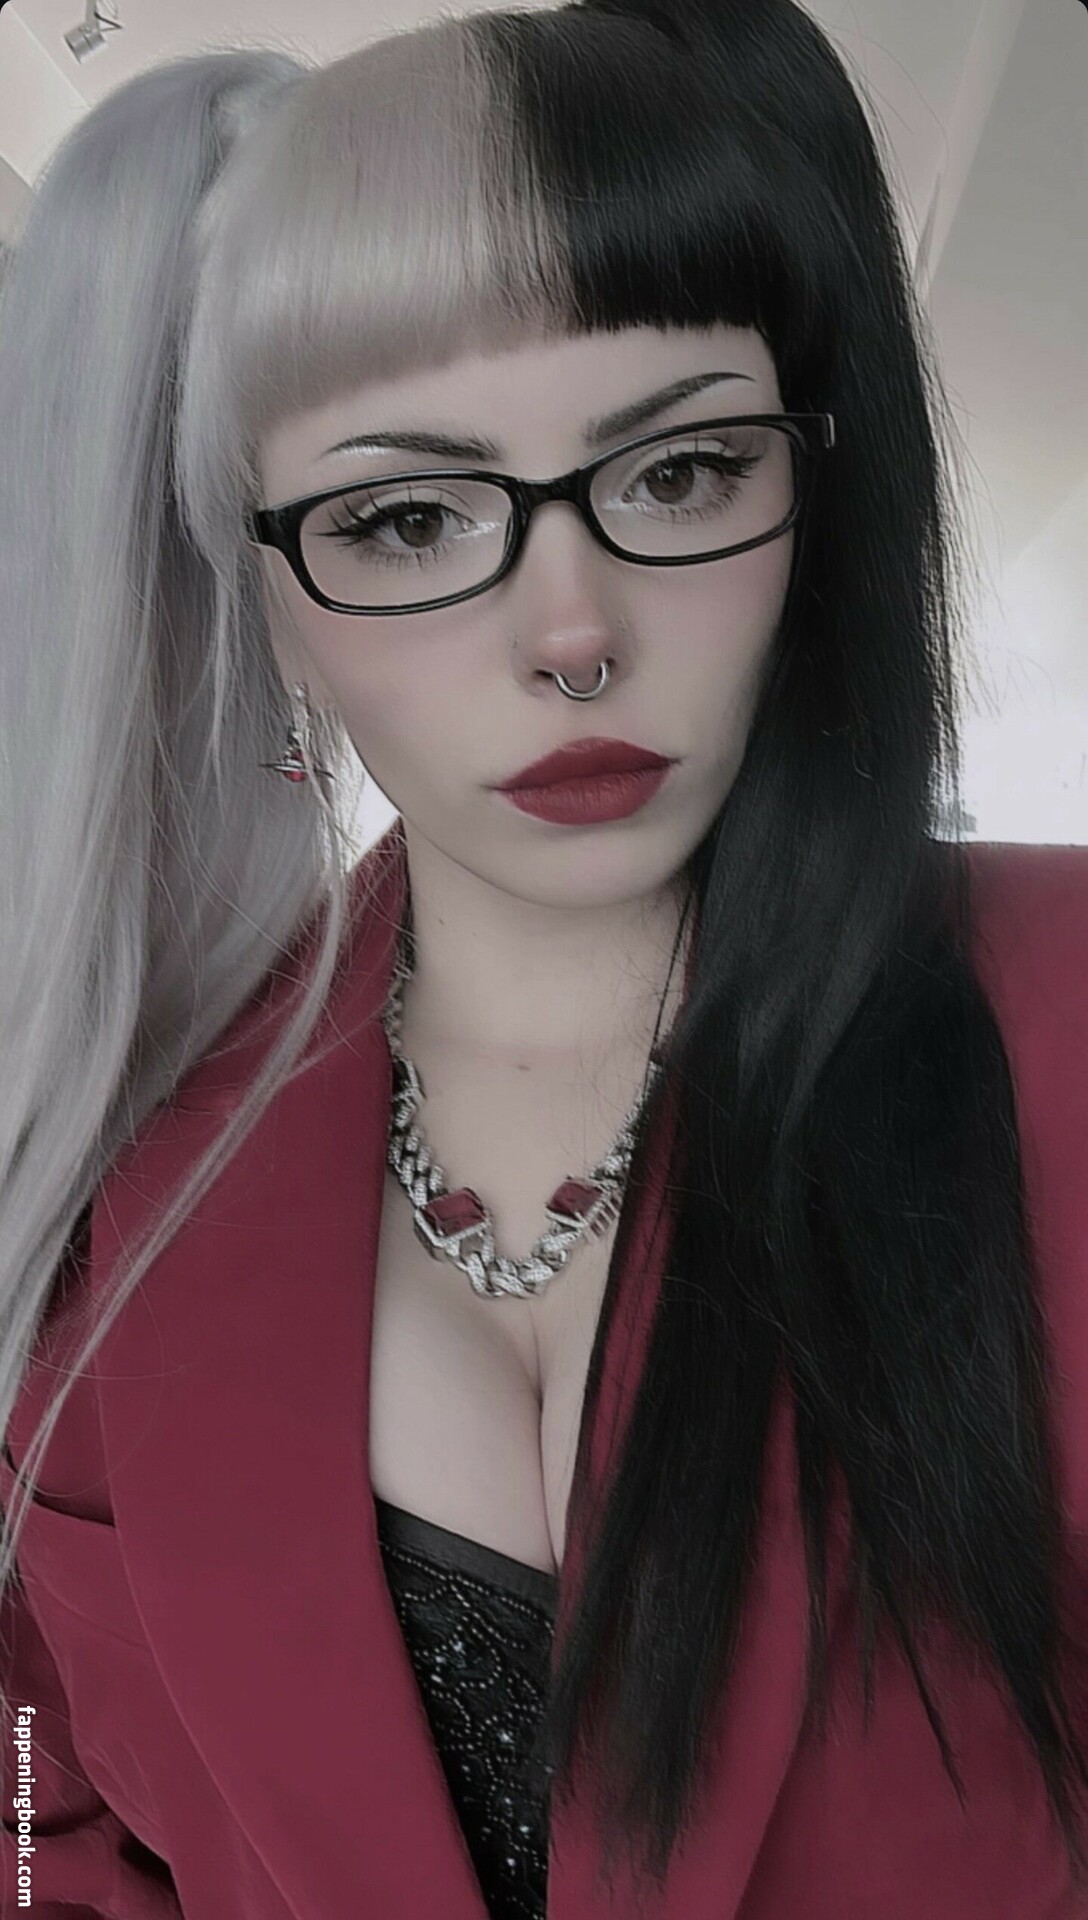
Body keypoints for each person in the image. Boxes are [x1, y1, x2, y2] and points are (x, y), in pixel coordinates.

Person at [1, 3, 1087, 1916]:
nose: (572, 632)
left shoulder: (1060, 1011)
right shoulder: (112, 1170)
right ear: (255, 581)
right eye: (407, 516)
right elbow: (46, 1825)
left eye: (679, 474)